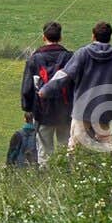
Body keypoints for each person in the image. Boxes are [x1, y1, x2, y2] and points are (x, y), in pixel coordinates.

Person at [39, 21, 112, 151]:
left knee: (75, 145)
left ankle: (71, 170)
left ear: (93, 36)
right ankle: (109, 169)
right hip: (104, 109)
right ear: (110, 37)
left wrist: (46, 89)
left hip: (82, 109)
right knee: (107, 144)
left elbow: (65, 75)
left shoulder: (83, 53)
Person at [19, 22, 72, 166]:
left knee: (44, 150)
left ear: (43, 37)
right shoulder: (69, 58)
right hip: (65, 110)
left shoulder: (34, 59)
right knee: (65, 147)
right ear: (60, 37)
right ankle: (65, 176)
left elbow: (27, 87)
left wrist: (27, 108)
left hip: (42, 110)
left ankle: (45, 176)